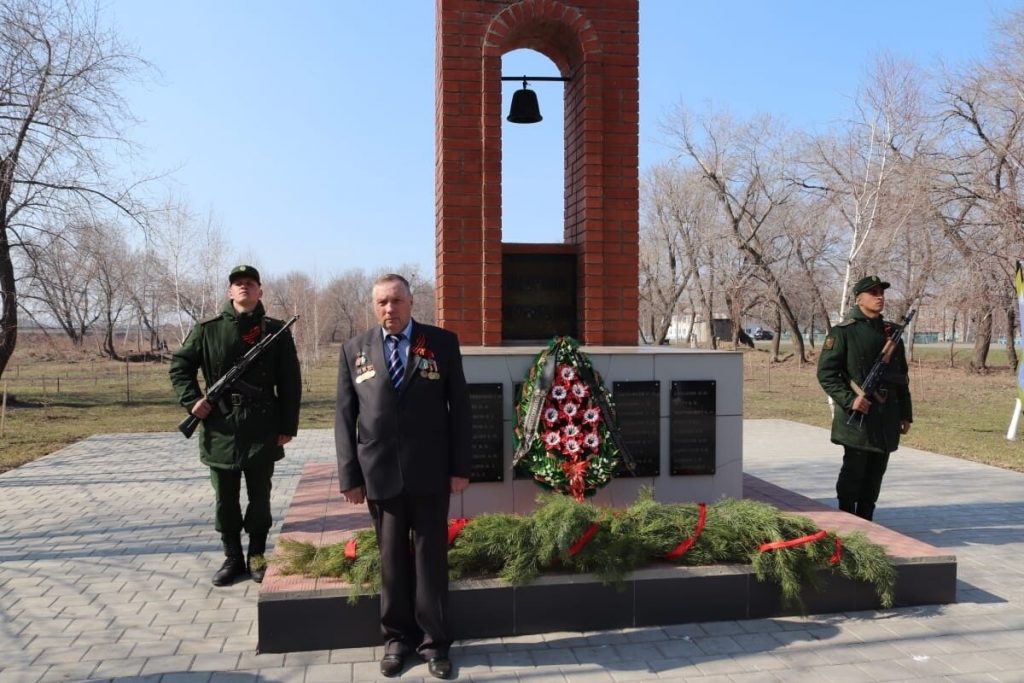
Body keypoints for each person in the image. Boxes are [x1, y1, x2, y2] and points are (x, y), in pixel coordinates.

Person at [335, 273, 471, 679]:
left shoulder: (441, 344)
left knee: (431, 560)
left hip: (430, 472)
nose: (389, 309)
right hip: (379, 475)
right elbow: (344, 417)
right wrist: (349, 476)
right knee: (391, 561)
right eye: (381, 303)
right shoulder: (354, 349)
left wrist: (460, 468)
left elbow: (459, 409)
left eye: (396, 301)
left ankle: (435, 644)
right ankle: (396, 640)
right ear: (373, 306)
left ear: (412, 302)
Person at [169, 265, 302, 586]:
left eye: (250, 284)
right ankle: (232, 558)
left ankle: (257, 557)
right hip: (220, 428)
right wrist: (192, 400)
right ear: (230, 292)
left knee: (260, 496)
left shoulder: (275, 331)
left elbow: (290, 383)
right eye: (238, 284)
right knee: (225, 499)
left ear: (260, 290)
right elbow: (179, 367)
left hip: (262, 428)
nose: (244, 288)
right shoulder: (208, 330)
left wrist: (287, 426)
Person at [817, 275, 913, 521]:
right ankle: (848, 518)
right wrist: (850, 400)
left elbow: (901, 377)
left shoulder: (892, 333)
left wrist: (905, 414)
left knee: (875, 474)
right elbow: (827, 374)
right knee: (854, 472)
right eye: (873, 293)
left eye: (881, 292)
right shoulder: (843, 332)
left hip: (886, 417)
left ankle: (868, 519)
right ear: (859, 299)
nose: (880, 296)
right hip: (857, 416)